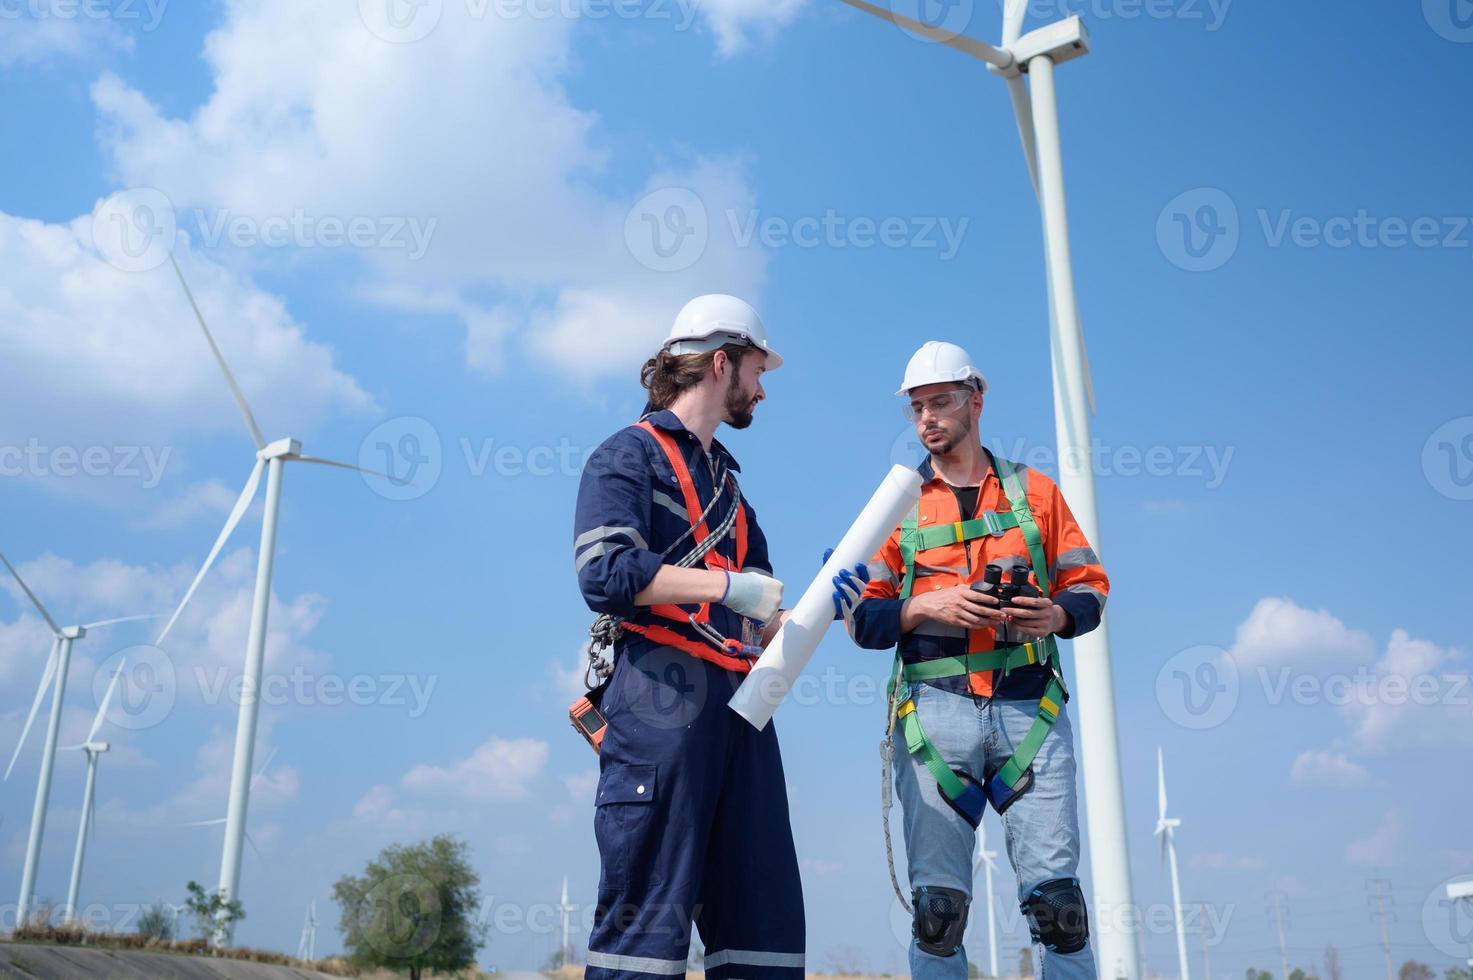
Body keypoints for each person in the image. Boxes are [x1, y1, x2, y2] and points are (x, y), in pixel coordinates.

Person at [832, 340, 1111, 980]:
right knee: (939, 913)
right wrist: (932, 606)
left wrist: (1058, 615)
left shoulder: (1036, 493)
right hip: (934, 717)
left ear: (975, 401)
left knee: (1059, 907)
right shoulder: (896, 509)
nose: (927, 419)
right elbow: (865, 622)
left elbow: (1091, 586)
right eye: (916, 408)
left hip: (1030, 713)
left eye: (939, 403)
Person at [572, 294, 804, 980]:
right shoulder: (624, 457)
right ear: (721, 363)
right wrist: (725, 587)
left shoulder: (732, 493)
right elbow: (604, 572)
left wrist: (820, 612)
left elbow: (763, 616)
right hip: (658, 698)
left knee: (760, 921)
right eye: (758, 372)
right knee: (647, 919)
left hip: (741, 706)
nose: (762, 390)